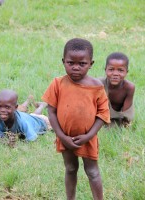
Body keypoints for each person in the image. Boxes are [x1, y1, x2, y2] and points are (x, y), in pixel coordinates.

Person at [42, 38, 110, 200]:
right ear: (63, 61)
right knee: (71, 168)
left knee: (92, 171)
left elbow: (102, 115)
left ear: (91, 63)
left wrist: (88, 136)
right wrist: (62, 137)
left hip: (88, 139)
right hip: (65, 138)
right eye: (71, 62)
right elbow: (51, 112)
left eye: (82, 64)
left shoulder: (97, 87)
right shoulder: (57, 84)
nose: (76, 68)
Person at [99, 52, 135, 127]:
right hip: (99, 117)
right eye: (111, 69)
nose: (115, 74)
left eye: (120, 70)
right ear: (105, 70)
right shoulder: (98, 84)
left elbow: (127, 115)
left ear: (126, 72)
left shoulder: (129, 87)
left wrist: (125, 126)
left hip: (118, 118)